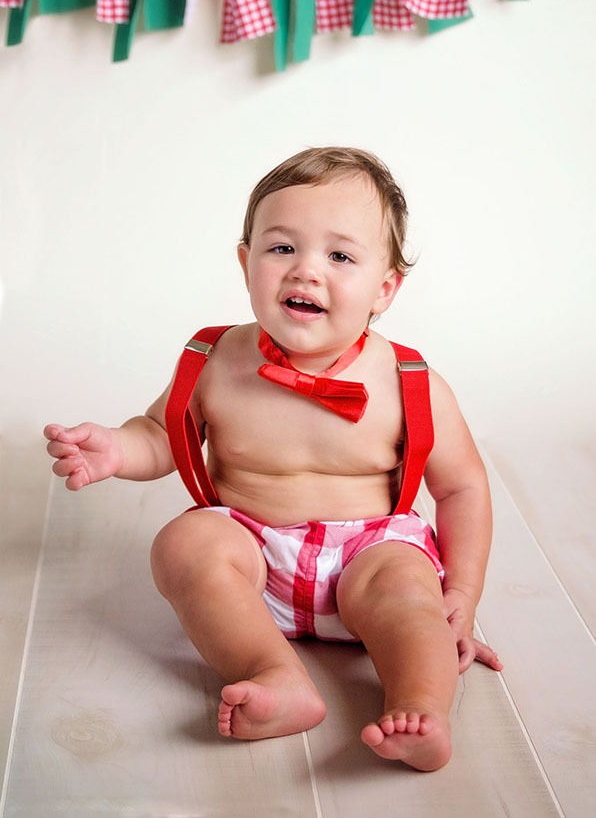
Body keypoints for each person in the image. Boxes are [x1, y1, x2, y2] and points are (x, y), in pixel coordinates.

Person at [44, 147, 502, 772]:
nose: (305, 273)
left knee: (407, 595)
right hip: (250, 558)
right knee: (183, 542)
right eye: (282, 248)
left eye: (340, 256)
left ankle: (421, 708)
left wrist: (464, 592)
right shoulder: (214, 361)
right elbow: (161, 432)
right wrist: (118, 448)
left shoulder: (409, 382)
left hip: (366, 558)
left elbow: (462, 489)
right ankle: (275, 675)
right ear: (246, 262)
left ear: (385, 288)